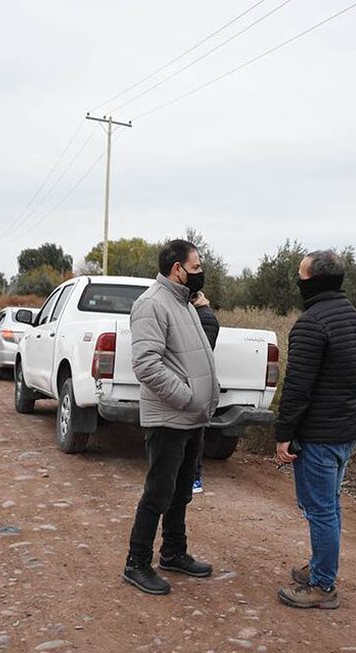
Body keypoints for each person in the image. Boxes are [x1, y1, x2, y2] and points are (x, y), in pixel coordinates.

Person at [273, 249, 356, 609]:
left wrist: (284, 435)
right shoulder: (354, 319)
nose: (298, 282)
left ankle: (323, 585)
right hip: (346, 430)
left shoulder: (311, 324)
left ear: (314, 281)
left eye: (301, 276)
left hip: (320, 435)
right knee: (330, 504)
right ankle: (321, 567)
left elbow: (297, 388)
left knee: (319, 509)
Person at [123, 239, 220, 595]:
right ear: (177, 269)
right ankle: (136, 563)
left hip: (191, 418)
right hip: (169, 417)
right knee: (158, 493)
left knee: (181, 492)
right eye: (196, 268)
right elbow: (146, 365)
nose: (200, 273)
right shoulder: (151, 303)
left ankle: (173, 552)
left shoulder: (184, 303)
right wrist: (186, 397)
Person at [191, 291, 220, 494]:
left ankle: (194, 477)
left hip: (196, 382)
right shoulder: (198, 314)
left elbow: (202, 352)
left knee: (194, 431)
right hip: (191, 380)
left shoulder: (205, 318)